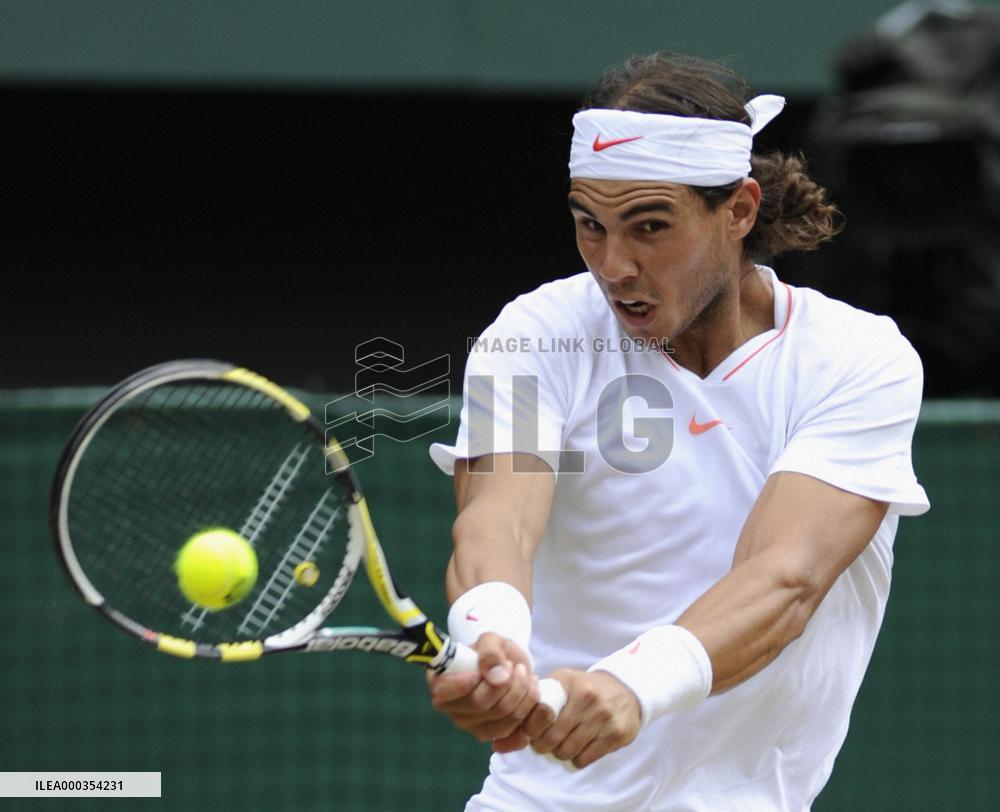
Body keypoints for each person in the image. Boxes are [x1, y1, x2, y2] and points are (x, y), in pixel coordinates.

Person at [426, 52, 929, 811]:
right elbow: (497, 518)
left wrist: (634, 684)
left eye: (650, 226)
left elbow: (785, 578)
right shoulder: (537, 334)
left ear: (739, 211)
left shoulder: (858, 359)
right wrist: (489, 636)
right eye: (590, 225)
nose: (614, 265)